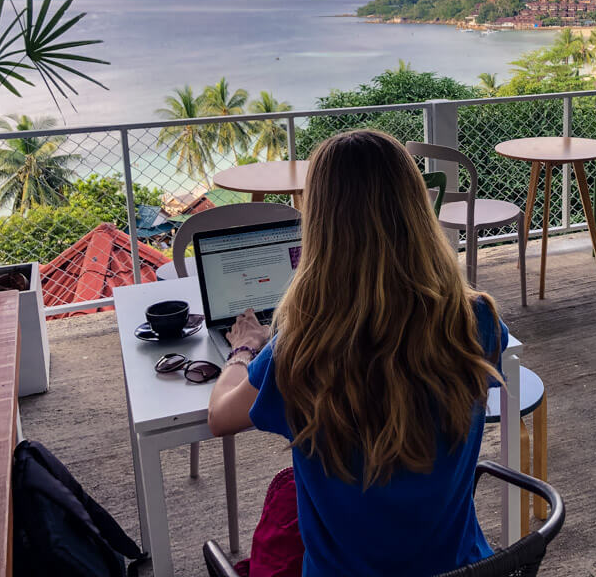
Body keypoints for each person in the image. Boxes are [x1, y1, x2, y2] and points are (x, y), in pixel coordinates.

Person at [208, 129, 508, 577]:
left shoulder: (303, 346)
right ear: (416, 212)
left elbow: (221, 417)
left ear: (321, 226)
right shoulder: (476, 320)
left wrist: (245, 350)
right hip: (459, 569)